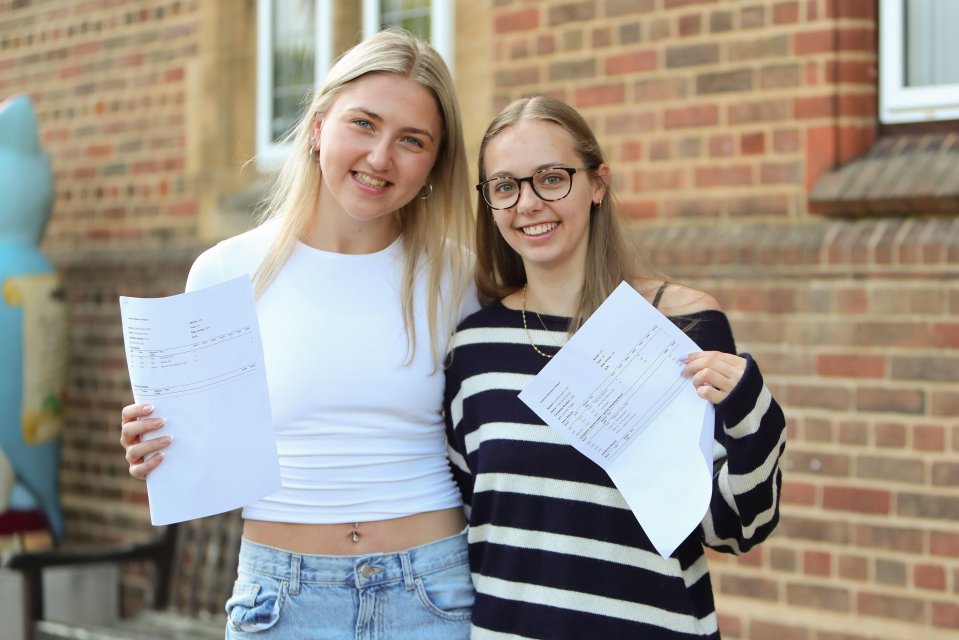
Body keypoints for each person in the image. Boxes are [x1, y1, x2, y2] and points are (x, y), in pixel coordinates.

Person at [119, 29, 478, 639]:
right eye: (363, 124)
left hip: (433, 592)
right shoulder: (225, 272)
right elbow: (199, 453)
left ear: (434, 166)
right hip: (282, 598)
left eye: (412, 140)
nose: (381, 157)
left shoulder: (458, 276)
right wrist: (156, 447)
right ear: (317, 128)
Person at [443, 95, 787, 639]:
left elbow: (736, 530)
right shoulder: (474, 347)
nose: (528, 203)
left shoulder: (681, 327)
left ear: (598, 184)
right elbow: (465, 526)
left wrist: (752, 412)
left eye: (551, 178)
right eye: (505, 187)